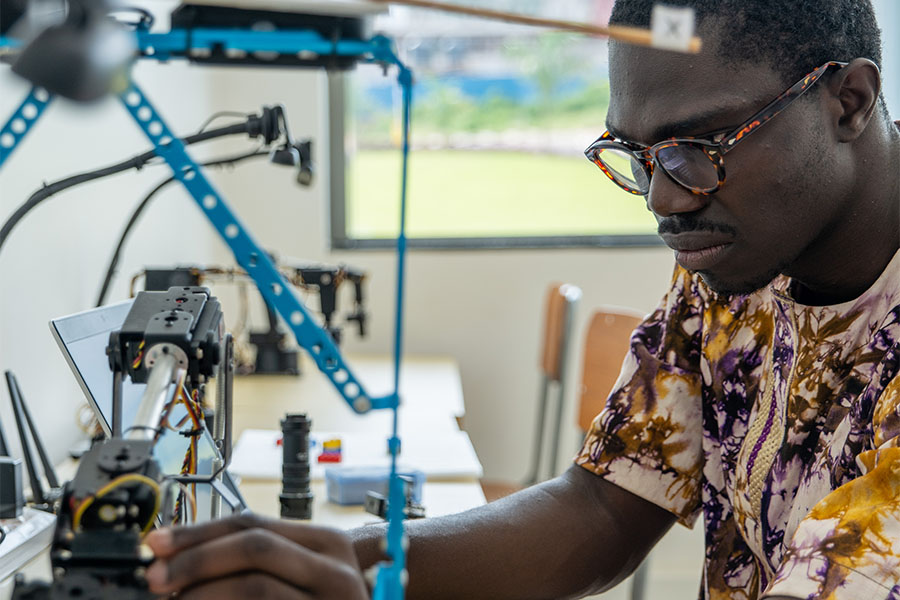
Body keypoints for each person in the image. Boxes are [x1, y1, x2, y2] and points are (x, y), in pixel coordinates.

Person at [142, 0, 900, 598]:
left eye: (698, 148)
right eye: (636, 157)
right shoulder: (745, 254)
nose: (663, 200)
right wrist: (347, 562)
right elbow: (605, 506)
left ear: (849, 100)